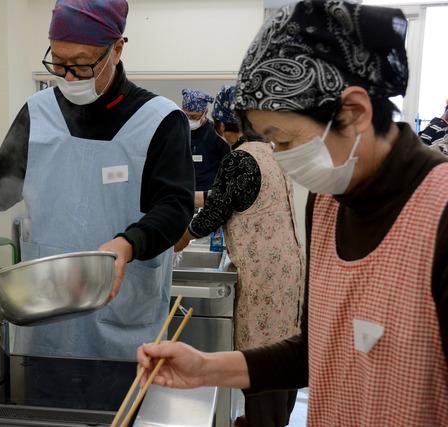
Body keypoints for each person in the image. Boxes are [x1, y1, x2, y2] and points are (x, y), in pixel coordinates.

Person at [138, 1, 448, 425]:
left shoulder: (439, 211)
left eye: (283, 141)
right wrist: (206, 368)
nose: (280, 159)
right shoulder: (327, 203)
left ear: (354, 112)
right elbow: (314, 350)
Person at [0, 0, 195, 360]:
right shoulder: (39, 110)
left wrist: (128, 244)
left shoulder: (160, 120)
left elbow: (175, 207)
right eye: (58, 63)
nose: (68, 77)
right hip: (46, 317)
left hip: (123, 321)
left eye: (80, 65)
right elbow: (5, 175)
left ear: (117, 48)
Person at [176, 85, 305, 427]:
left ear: (222, 125)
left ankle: (265, 421)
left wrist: (180, 239)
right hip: (287, 270)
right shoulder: (272, 152)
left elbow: (216, 209)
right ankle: (265, 419)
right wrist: (183, 198)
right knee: (284, 350)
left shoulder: (241, 157)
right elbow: (225, 198)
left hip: (264, 275)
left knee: (261, 357)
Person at [182, 89, 230, 205]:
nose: (189, 120)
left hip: (209, 198)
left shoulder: (217, 135)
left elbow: (228, 171)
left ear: (205, 112)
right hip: (182, 196)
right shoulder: (177, 133)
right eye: (186, 115)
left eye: (194, 117)